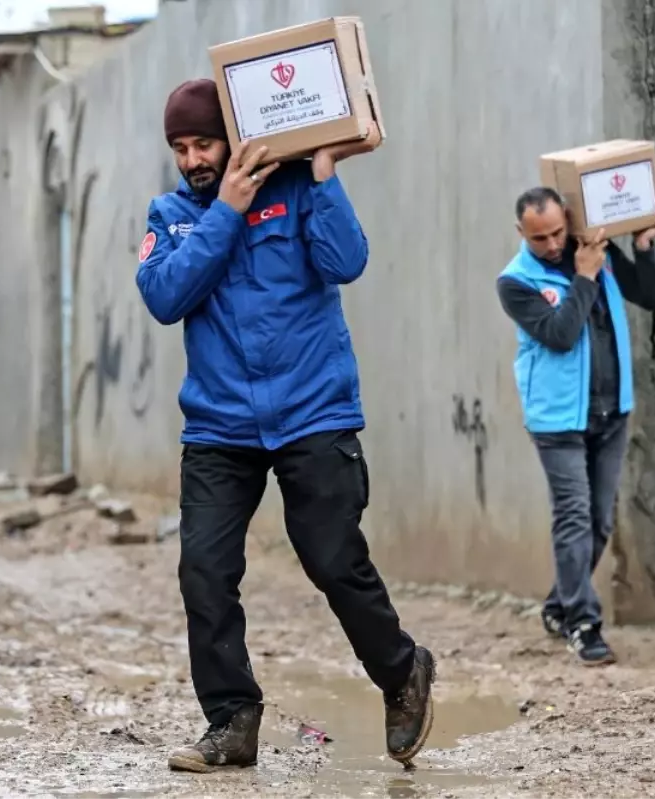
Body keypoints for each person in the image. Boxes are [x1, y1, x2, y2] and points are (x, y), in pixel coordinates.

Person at [135, 78, 436, 773]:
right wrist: (228, 213)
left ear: (235, 136)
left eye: (203, 142)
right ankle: (231, 721)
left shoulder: (298, 189)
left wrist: (325, 175)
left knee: (332, 556)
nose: (192, 159)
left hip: (313, 410)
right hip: (218, 424)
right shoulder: (172, 214)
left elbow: (346, 262)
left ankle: (401, 671)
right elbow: (164, 295)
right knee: (204, 572)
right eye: (180, 147)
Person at [496, 186, 655, 665]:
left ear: (568, 219)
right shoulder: (515, 281)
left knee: (599, 520)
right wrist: (585, 277)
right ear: (521, 234)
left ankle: (558, 604)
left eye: (557, 232)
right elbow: (559, 334)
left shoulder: (597, 249)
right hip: (557, 420)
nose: (552, 244)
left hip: (612, 410)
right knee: (574, 516)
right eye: (539, 238)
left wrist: (641, 246)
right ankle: (583, 623)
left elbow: (650, 297)